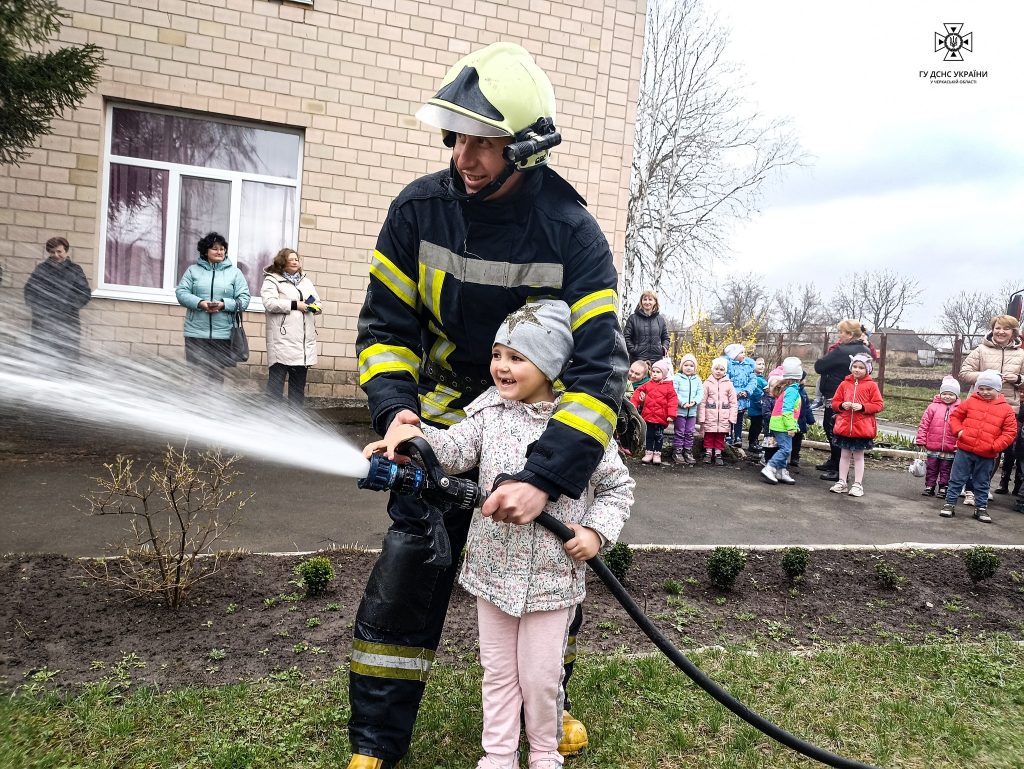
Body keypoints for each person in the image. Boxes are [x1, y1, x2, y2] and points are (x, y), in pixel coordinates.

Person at [350, 42, 628, 769]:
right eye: (456, 135)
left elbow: (600, 371)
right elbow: (386, 328)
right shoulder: (417, 210)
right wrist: (398, 416)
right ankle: (377, 742)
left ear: (527, 147)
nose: (462, 155)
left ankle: (549, 714)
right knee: (409, 567)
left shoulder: (574, 234)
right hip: (444, 420)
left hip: (538, 430)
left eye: (483, 141)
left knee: (543, 587)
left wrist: (547, 476)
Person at [364, 300, 633, 769]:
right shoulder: (487, 414)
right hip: (492, 575)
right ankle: (499, 754)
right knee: (499, 673)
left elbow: (617, 486)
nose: (501, 368)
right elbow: (451, 450)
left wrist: (595, 531)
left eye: (516, 358)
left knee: (542, 676)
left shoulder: (581, 427)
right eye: (497, 355)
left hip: (551, 581)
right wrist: (413, 439)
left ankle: (545, 753)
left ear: (550, 364)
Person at [939, 370, 1018, 523]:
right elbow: (955, 417)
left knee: (982, 482)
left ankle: (980, 508)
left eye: (989, 389)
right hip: (964, 450)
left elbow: (1010, 432)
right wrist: (959, 432)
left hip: (987, 454)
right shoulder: (970, 402)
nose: (984, 392)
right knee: (956, 479)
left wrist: (996, 446)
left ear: (998, 389)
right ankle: (949, 504)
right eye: (981, 388)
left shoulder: (1006, 409)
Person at [959, 315, 1024, 497]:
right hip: (978, 406)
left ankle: (983, 486)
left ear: (1013, 332)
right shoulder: (980, 350)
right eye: (997, 328)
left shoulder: (1021, 354)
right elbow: (964, 373)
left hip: (1007, 408)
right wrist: (986, 375)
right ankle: (967, 484)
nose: (1001, 332)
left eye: (1006, 329)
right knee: (972, 446)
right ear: (992, 329)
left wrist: (1018, 379)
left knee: (994, 449)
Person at [174, 232, 250, 385]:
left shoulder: (235, 273)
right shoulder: (192, 271)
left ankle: (214, 407)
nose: (219, 252)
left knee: (216, 376)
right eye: (215, 249)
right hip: (195, 332)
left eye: (222, 249)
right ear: (205, 251)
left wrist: (224, 304)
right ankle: (195, 406)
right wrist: (200, 303)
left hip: (222, 334)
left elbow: (244, 299)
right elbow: (181, 293)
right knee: (196, 375)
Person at [813, 320, 873, 481]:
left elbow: (819, 366)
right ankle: (834, 462)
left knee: (833, 428)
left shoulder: (842, 350)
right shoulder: (865, 349)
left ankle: (839, 470)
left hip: (837, 394)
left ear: (850, 334)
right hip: (851, 394)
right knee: (837, 428)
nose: (839, 335)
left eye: (842, 332)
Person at [261, 247, 321, 408]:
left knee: (297, 390)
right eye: (291, 259)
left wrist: (312, 307)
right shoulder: (272, 280)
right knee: (275, 387)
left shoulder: (305, 282)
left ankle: (295, 422)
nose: (295, 262)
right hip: (282, 341)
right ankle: (271, 419)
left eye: (297, 259)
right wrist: (295, 305)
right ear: (282, 262)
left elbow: (316, 303)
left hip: (302, 345)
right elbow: (269, 303)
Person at [23, 236, 92, 361]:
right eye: (52, 252)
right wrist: (39, 309)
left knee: (67, 358)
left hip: (67, 322)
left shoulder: (75, 270)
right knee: (42, 358)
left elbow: (85, 294)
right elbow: (29, 291)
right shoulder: (41, 269)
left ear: (66, 251)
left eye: (59, 251)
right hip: (43, 322)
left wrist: (68, 308)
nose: (56, 255)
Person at [828, 353, 884, 498]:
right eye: (855, 366)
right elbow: (834, 403)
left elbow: (878, 405)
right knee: (844, 455)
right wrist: (841, 405)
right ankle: (842, 481)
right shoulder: (844, 384)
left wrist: (863, 407)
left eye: (861, 367)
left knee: (859, 457)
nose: (857, 370)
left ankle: (858, 484)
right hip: (844, 427)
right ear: (851, 367)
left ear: (868, 370)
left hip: (862, 429)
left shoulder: (871, 385)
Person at [914, 377, 961, 497]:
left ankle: (943, 487)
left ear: (956, 395)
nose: (947, 396)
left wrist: (959, 443)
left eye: (951, 394)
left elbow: (962, 427)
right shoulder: (932, 407)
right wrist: (921, 439)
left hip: (950, 447)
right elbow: (924, 424)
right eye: (944, 393)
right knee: (932, 467)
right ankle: (930, 485)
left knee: (946, 469)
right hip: (933, 445)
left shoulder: (960, 409)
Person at [760, 357, 802, 485]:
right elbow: (787, 410)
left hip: (781, 424)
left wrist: (793, 425)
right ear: (798, 377)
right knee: (786, 449)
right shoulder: (792, 391)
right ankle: (770, 467)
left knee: (784, 448)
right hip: (782, 425)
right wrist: (790, 426)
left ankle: (780, 471)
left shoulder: (790, 390)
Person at [631, 357, 677, 465]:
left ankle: (657, 454)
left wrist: (671, 415)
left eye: (658, 372)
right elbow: (638, 392)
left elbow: (673, 401)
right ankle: (648, 453)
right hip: (648, 416)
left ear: (664, 374)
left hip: (661, 418)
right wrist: (633, 404)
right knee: (649, 435)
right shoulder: (648, 384)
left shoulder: (669, 387)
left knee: (659, 436)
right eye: (653, 372)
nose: (655, 374)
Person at [698, 357, 737, 466]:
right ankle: (708, 453)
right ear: (712, 369)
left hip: (724, 416)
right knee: (709, 435)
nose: (718, 371)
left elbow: (733, 402)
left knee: (720, 436)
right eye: (716, 369)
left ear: (725, 371)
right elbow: (702, 402)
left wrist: (732, 418)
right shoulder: (707, 383)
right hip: (710, 416)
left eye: (721, 369)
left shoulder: (729, 384)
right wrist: (701, 418)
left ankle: (718, 453)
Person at [671, 353, 703, 465]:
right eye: (686, 365)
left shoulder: (697, 380)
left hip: (692, 412)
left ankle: (688, 451)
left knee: (690, 432)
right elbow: (674, 392)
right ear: (681, 367)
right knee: (679, 431)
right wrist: (682, 403)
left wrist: (694, 401)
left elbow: (700, 393)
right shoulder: (677, 378)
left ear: (695, 368)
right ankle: (677, 451)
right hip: (680, 411)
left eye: (691, 365)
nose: (688, 368)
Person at [623, 290, 669, 363]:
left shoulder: (660, 319)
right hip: (637, 360)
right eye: (645, 299)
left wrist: (663, 349)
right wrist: (633, 350)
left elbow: (665, 338)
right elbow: (626, 337)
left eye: (650, 299)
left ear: (655, 302)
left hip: (656, 361)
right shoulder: (633, 318)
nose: (647, 302)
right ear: (641, 301)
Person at [725, 343, 755, 448]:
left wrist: (746, 391)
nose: (744, 355)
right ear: (734, 355)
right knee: (729, 417)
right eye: (741, 352)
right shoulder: (728, 366)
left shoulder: (748, 366)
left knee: (739, 417)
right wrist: (733, 392)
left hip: (743, 397)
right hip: (731, 396)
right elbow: (726, 380)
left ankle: (738, 436)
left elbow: (752, 380)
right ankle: (728, 436)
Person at [789, 370, 816, 473]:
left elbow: (807, 407)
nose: (806, 380)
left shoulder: (803, 392)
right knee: (790, 440)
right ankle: (788, 456)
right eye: (804, 378)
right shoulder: (792, 391)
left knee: (797, 441)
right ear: (799, 379)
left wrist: (810, 419)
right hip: (793, 420)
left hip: (801, 421)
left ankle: (795, 457)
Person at [745, 357, 768, 456]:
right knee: (756, 426)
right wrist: (762, 404)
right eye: (759, 364)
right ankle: (752, 443)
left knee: (758, 426)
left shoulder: (761, 378)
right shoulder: (756, 379)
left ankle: (755, 441)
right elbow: (757, 394)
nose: (762, 366)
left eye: (763, 364)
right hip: (756, 407)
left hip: (760, 407)